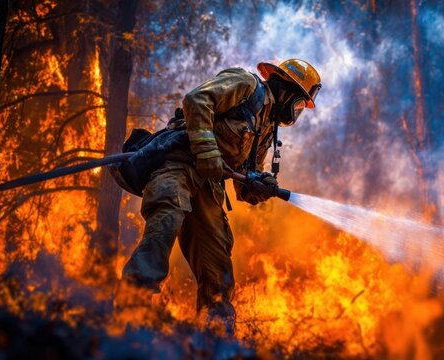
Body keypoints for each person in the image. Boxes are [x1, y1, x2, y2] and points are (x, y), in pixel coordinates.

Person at [120, 59, 322, 331]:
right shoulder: (246, 85)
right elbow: (197, 100)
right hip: (178, 165)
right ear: (287, 90)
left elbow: (243, 186)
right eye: (299, 104)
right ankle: (128, 316)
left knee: (217, 265)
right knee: (165, 223)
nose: (296, 111)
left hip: (208, 188)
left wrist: (260, 186)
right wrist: (208, 152)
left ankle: (215, 338)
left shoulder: (264, 130)